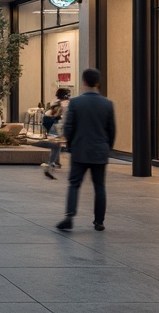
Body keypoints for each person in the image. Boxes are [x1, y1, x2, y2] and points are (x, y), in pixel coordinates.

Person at [57, 68, 116, 232]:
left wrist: (70, 145)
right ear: (98, 82)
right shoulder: (107, 104)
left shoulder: (76, 103)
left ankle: (69, 216)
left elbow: (69, 127)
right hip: (99, 151)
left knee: (74, 184)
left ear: (84, 82)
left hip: (80, 150)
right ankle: (99, 222)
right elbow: (112, 130)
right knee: (99, 187)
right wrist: (107, 148)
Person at [40, 89, 71, 178]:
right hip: (61, 126)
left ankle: (53, 162)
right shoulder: (68, 103)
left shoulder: (57, 103)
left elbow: (52, 114)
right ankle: (53, 162)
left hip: (57, 126)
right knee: (56, 145)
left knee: (56, 145)